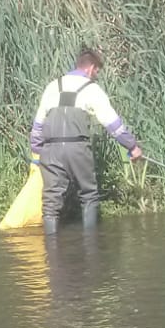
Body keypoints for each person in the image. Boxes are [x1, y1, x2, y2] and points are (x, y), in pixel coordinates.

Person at [29, 46, 142, 232]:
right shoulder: (92, 89)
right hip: (77, 148)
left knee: (50, 203)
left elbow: (37, 127)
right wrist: (132, 146)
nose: (96, 75)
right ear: (91, 68)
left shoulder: (52, 86)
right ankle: (90, 245)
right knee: (88, 195)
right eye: (97, 71)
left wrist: (38, 154)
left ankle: (51, 248)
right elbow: (113, 124)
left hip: (50, 150)